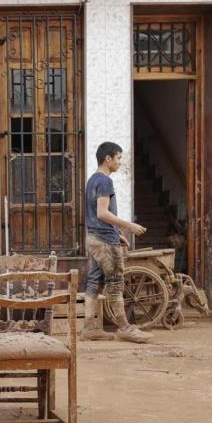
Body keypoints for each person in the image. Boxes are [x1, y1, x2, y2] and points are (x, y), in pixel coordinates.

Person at [81, 142, 153, 344]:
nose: (120, 162)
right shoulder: (105, 182)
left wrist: (118, 233)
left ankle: (88, 328)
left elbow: (96, 216)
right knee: (115, 283)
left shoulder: (92, 180)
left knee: (94, 282)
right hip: (105, 241)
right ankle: (124, 328)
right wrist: (129, 226)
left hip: (94, 238)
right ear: (108, 159)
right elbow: (102, 213)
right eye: (119, 157)